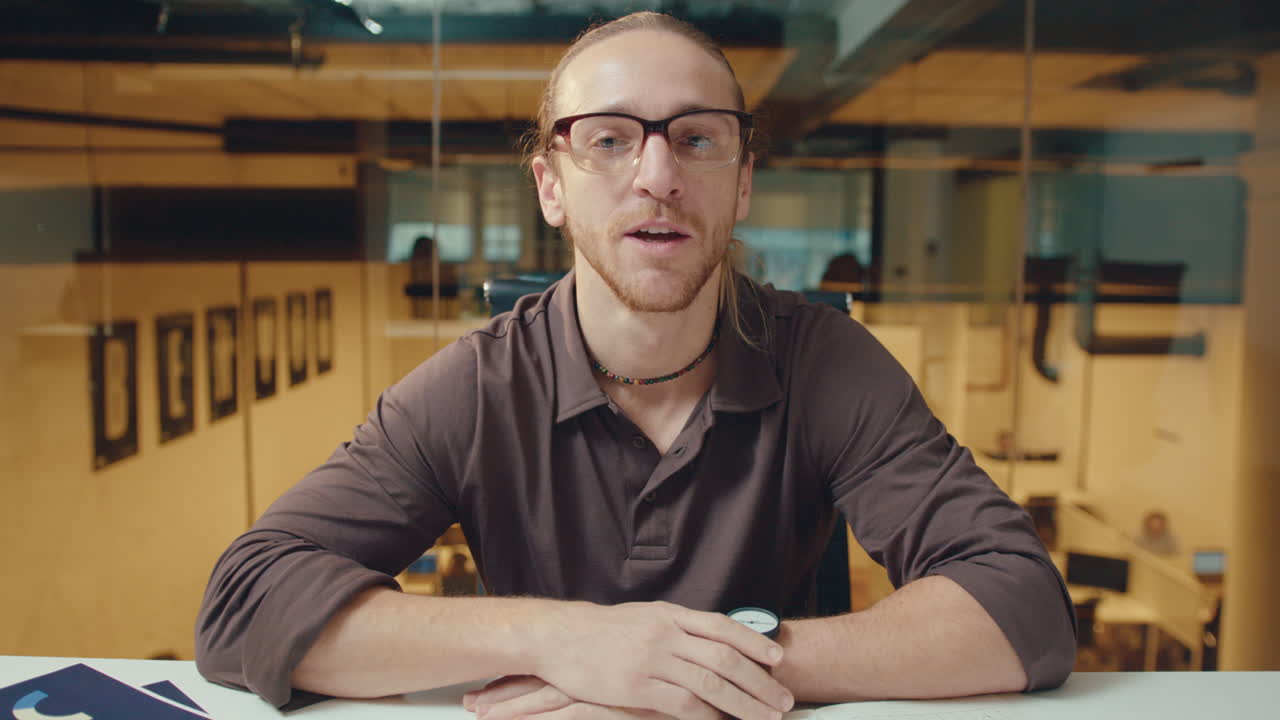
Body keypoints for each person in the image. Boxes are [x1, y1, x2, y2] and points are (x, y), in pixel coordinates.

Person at [195, 12, 1075, 719]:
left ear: (741, 183)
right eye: (609, 140)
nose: (657, 173)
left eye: (697, 138)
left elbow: (1019, 604)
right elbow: (244, 605)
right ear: (550, 187)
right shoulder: (474, 387)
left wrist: (685, 671)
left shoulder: (826, 361)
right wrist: (564, 642)